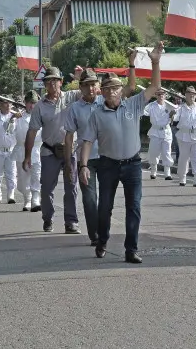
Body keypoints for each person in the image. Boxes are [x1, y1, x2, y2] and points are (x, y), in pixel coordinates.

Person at [78, 42, 164, 263]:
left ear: (121, 90)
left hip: (133, 165)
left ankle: (131, 249)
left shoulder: (133, 105)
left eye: (116, 88)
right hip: (108, 165)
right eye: (107, 89)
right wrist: (84, 165)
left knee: (133, 207)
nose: (112, 92)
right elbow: (87, 141)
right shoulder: (96, 114)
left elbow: (154, 87)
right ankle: (103, 239)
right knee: (104, 207)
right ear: (102, 92)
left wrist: (155, 61)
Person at [24, 65, 86, 233]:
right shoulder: (40, 106)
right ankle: (48, 218)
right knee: (46, 188)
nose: (52, 84)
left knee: (71, 187)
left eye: (55, 80)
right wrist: (27, 156)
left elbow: (88, 92)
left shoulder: (71, 97)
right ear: (44, 84)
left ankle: (71, 221)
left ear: (61, 82)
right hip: (49, 151)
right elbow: (32, 132)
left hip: (69, 151)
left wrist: (80, 77)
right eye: (48, 81)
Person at [63, 69, 107, 245]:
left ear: (98, 85)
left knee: (106, 199)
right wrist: (68, 164)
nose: (90, 88)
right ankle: (95, 235)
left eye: (93, 84)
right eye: (87, 85)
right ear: (80, 87)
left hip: (107, 158)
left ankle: (104, 230)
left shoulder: (106, 102)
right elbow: (68, 136)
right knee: (90, 200)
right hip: (85, 161)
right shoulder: (74, 109)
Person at [14, 91, 42, 211]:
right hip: (22, 149)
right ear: (25, 103)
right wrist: (12, 119)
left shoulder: (41, 116)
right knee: (22, 178)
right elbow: (7, 131)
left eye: (34, 103)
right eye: (30, 103)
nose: (32, 106)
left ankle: (35, 199)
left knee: (37, 175)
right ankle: (27, 197)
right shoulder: (19, 117)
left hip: (37, 149)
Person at [143, 88, 175, 180]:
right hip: (155, 131)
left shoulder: (169, 106)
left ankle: (167, 173)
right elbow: (143, 112)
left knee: (167, 152)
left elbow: (175, 117)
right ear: (156, 95)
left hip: (166, 131)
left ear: (165, 96)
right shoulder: (151, 106)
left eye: (162, 94)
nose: (160, 96)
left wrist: (173, 114)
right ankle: (153, 171)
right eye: (158, 94)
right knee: (154, 152)